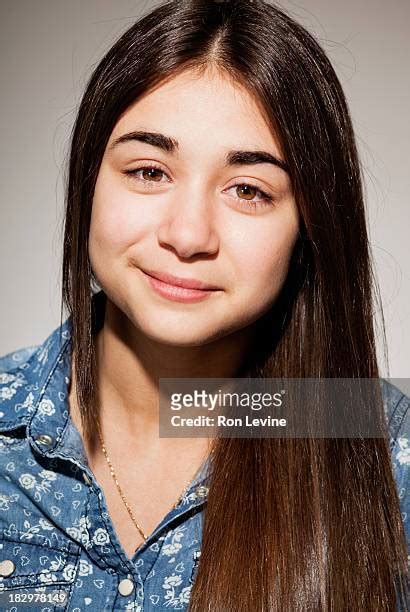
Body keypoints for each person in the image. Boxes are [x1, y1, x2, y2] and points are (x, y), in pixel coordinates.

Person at [0, 0, 408, 609]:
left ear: (310, 225)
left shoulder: (384, 453)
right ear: (89, 180)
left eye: (248, 190)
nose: (188, 236)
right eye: (148, 171)